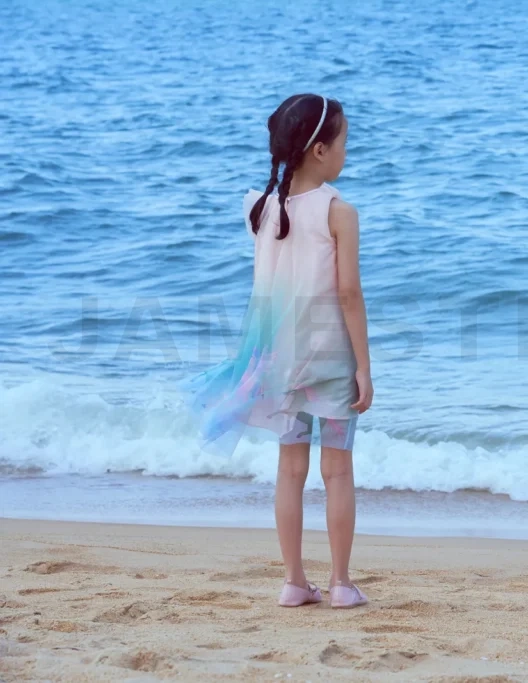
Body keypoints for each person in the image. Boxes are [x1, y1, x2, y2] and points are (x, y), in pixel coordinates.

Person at [185, 93, 373, 609]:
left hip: (279, 362)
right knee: (337, 471)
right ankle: (339, 583)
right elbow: (349, 295)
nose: (345, 153)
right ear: (318, 150)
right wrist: (365, 366)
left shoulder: (260, 207)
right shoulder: (339, 211)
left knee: (290, 470)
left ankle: (294, 581)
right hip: (331, 362)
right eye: (343, 143)